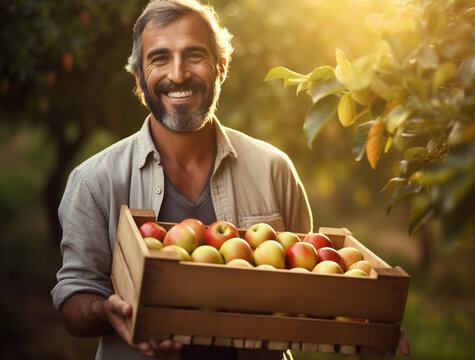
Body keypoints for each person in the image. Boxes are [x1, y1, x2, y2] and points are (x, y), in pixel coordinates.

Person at [52, 1, 409, 359]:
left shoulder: (274, 170)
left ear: (221, 68)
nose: (177, 74)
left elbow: (307, 286)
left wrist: (367, 314)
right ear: (140, 77)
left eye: (194, 56)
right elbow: (75, 298)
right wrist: (108, 312)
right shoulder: (95, 182)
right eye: (159, 58)